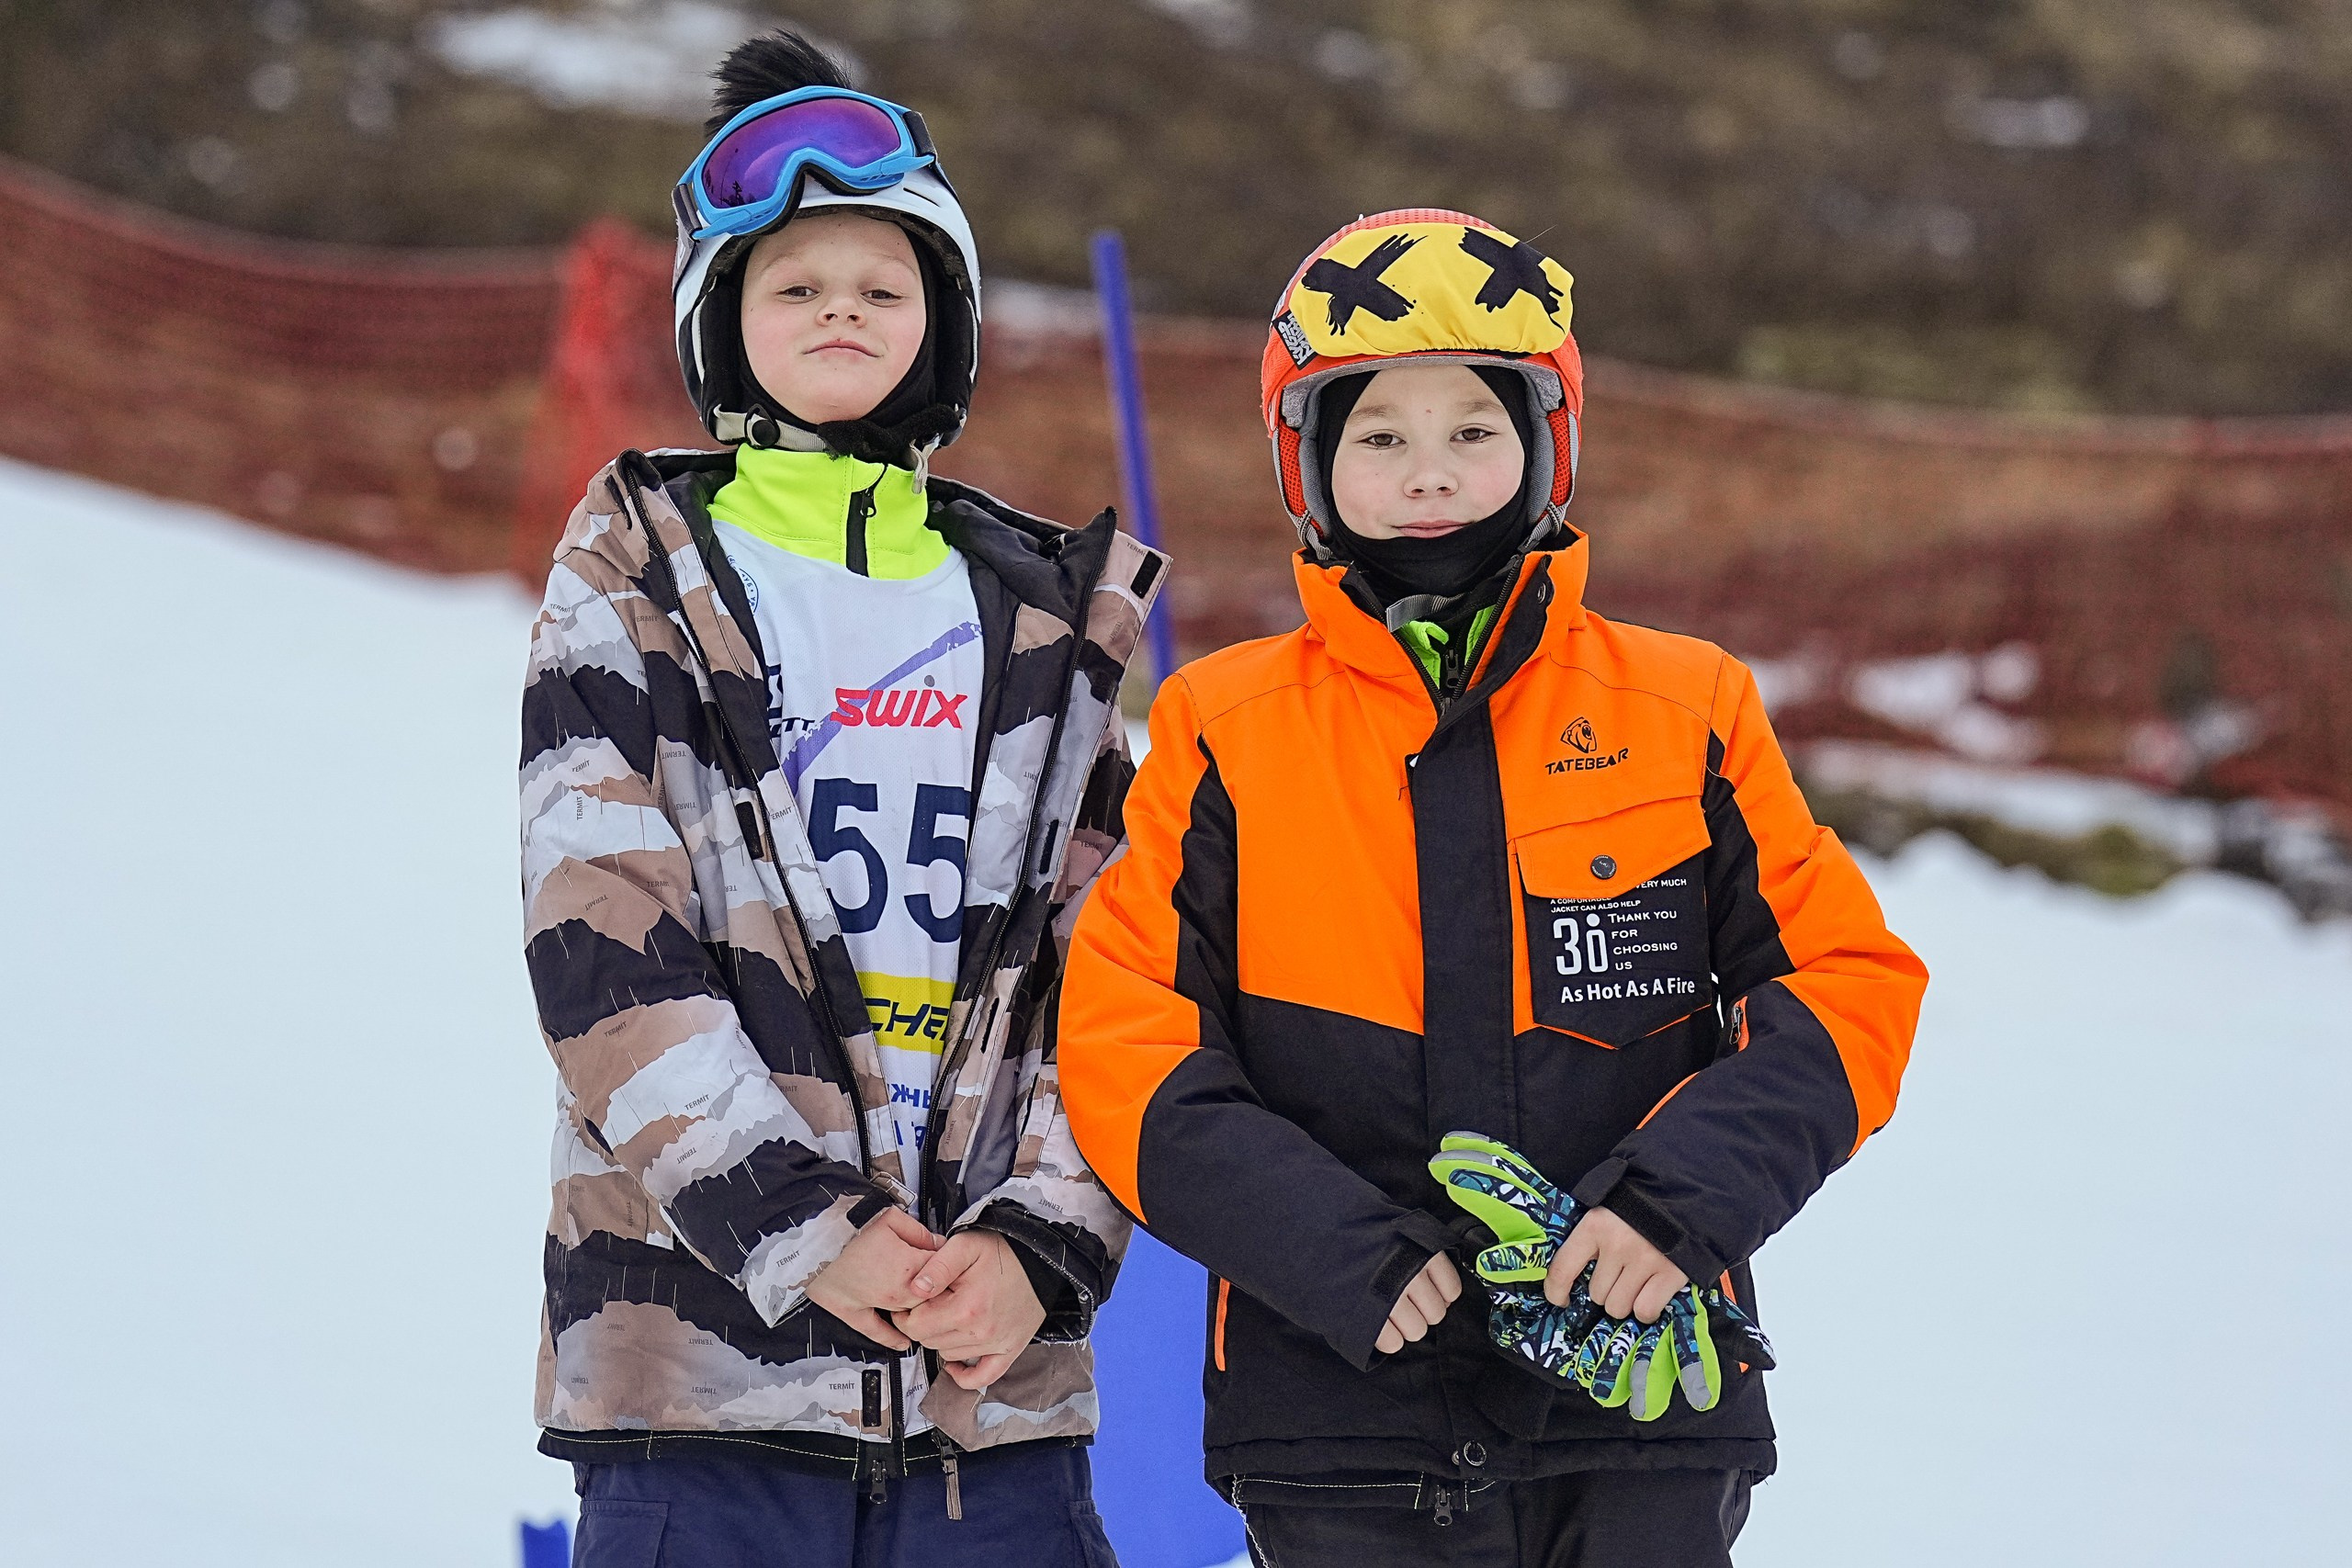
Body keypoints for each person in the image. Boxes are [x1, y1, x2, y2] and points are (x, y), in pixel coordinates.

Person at [1057, 209, 1928, 1567]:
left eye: (1473, 427)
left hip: (1636, 1393)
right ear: (1311, 460)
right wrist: (1335, 1249)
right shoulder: (1227, 730)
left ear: (1547, 442)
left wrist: (1672, 1208)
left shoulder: (1686, 706)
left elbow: (1847, 986)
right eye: (1379, 434)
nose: (1428, 472)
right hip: (1338, 1406)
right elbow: (1126, 1043)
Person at [519, 30, 1161, 1566]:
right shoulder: (640, 577)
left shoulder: (1049, 621)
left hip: (989, 1403)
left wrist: (1041, 1248)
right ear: (721, 320)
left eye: (883, 286)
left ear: (942, 327)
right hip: (702, 1385)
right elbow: (602, 948)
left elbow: (1123, 969)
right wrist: (813, 1234)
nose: (840, 313)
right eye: (794, 284)